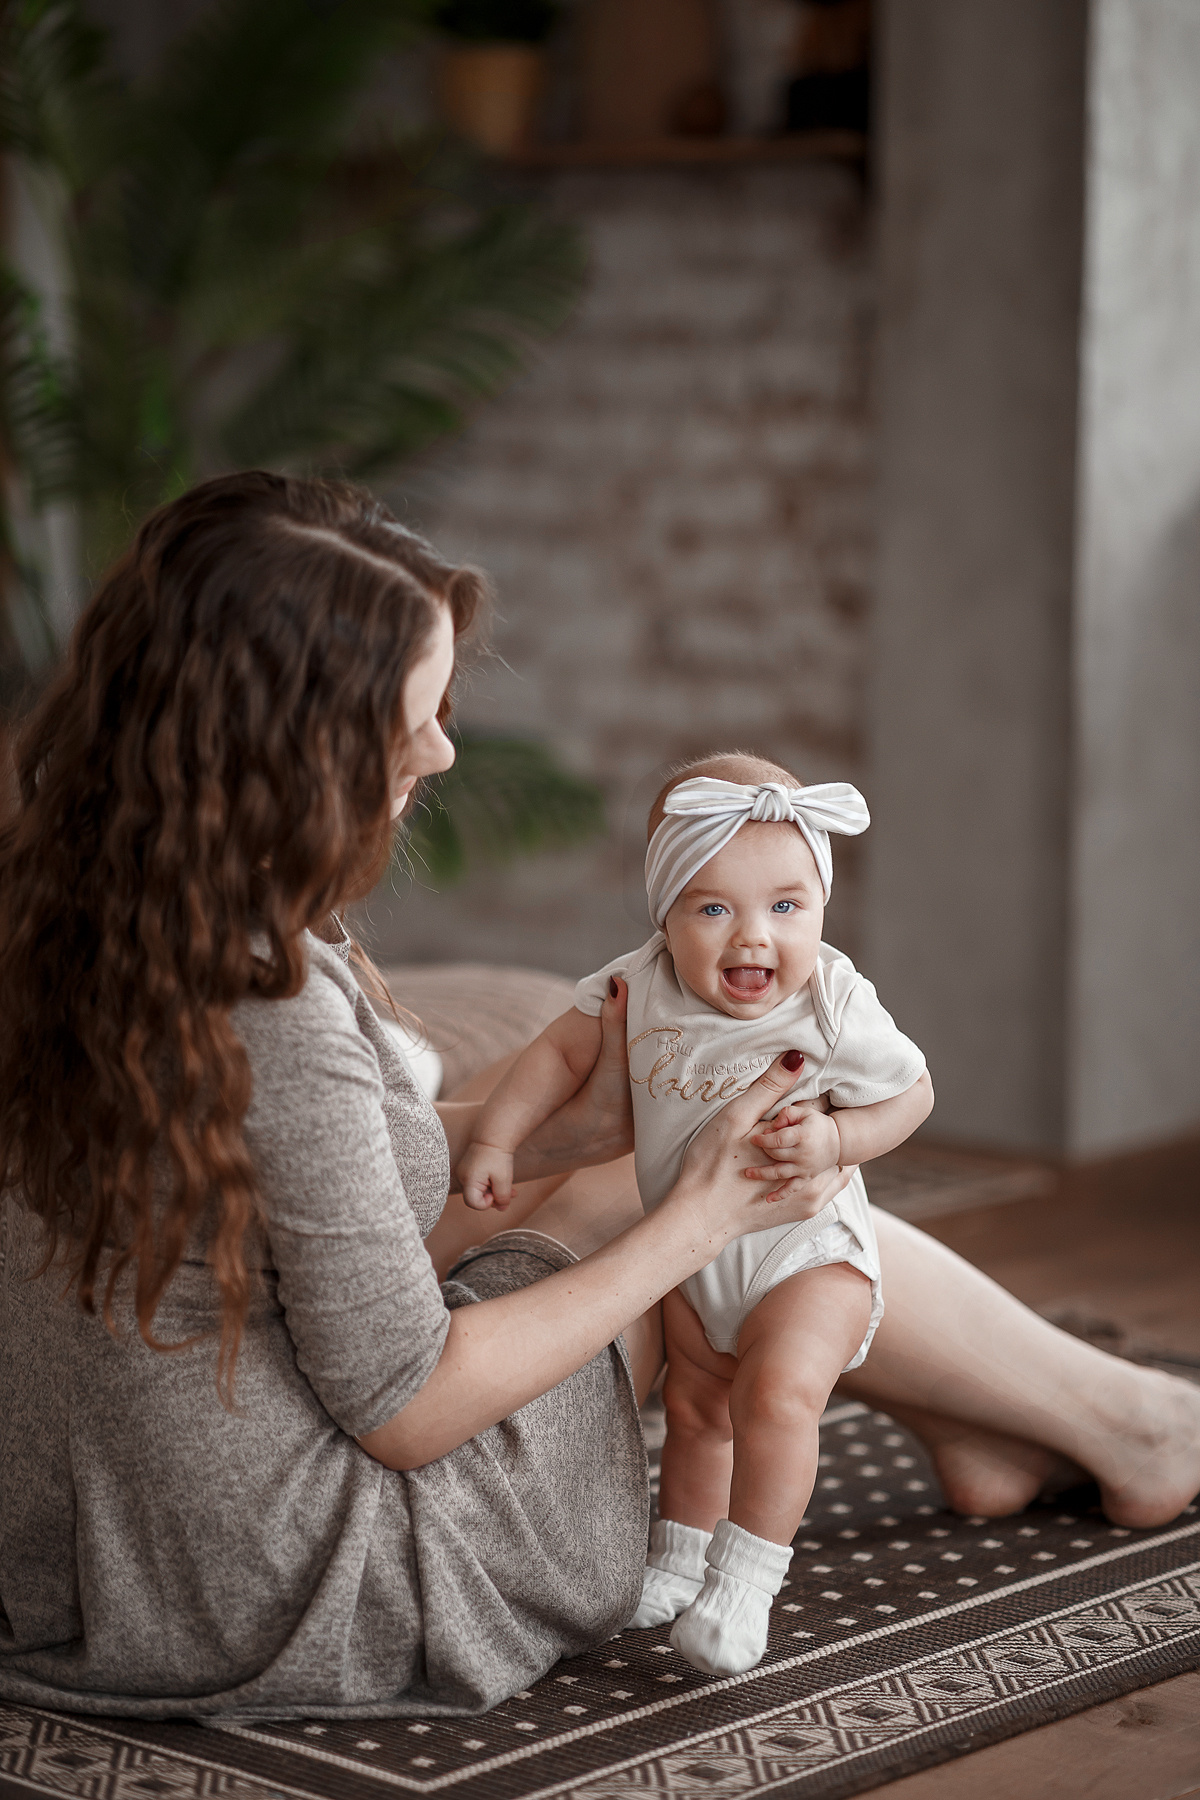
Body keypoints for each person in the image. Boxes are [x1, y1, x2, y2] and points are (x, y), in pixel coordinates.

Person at [1, 472, 1197, 1723]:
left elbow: (316, 1175)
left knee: (651, 1154)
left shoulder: (85, 893)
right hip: (280, 1567)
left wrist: (575, 1130)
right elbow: (406, 1409)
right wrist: (698, 1217)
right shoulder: (266, 997)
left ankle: (1009, 1425)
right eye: (410, 720)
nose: (445, 749)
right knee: (688, 1190)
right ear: (285, 740)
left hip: (96, 1521)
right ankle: (1134, 1422)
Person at [458, 753, 935, 1674]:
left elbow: (913, 1094)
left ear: (821, 910)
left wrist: (840, 1143)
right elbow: (552, 1059)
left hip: (805, 1249)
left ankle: (745, 1582)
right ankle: (678, 1562)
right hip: (691, 1248)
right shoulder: (637, 988)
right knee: (692, 1409)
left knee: (777, 1396)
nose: (754, 938)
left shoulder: (834, 999)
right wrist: (494, 1143)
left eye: (786, 907)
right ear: (665, 914)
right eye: (714, 908)